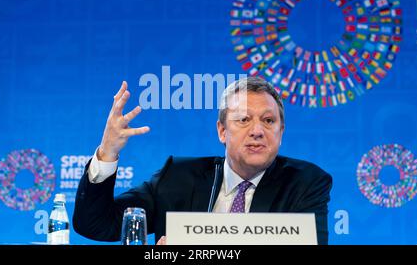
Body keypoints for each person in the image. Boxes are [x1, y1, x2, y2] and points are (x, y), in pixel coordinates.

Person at [73, 77, 332, 245]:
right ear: (222, 131)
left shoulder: (304, 182)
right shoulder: (178, 177)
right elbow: (97, 225)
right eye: (243, 120)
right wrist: (107, 152)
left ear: (281, 131)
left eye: (268, 120)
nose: (257, 130)